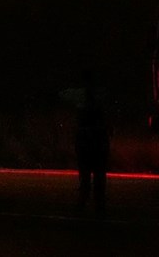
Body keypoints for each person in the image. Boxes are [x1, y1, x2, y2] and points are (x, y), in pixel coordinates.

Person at [60, 69, 110, 212]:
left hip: (86, 138)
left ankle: (84, 201)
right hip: (98, 138)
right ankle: (98, 203)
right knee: (98, 173)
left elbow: (63, 96)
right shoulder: (100, 94)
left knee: (85, 172)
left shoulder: (79, 95)